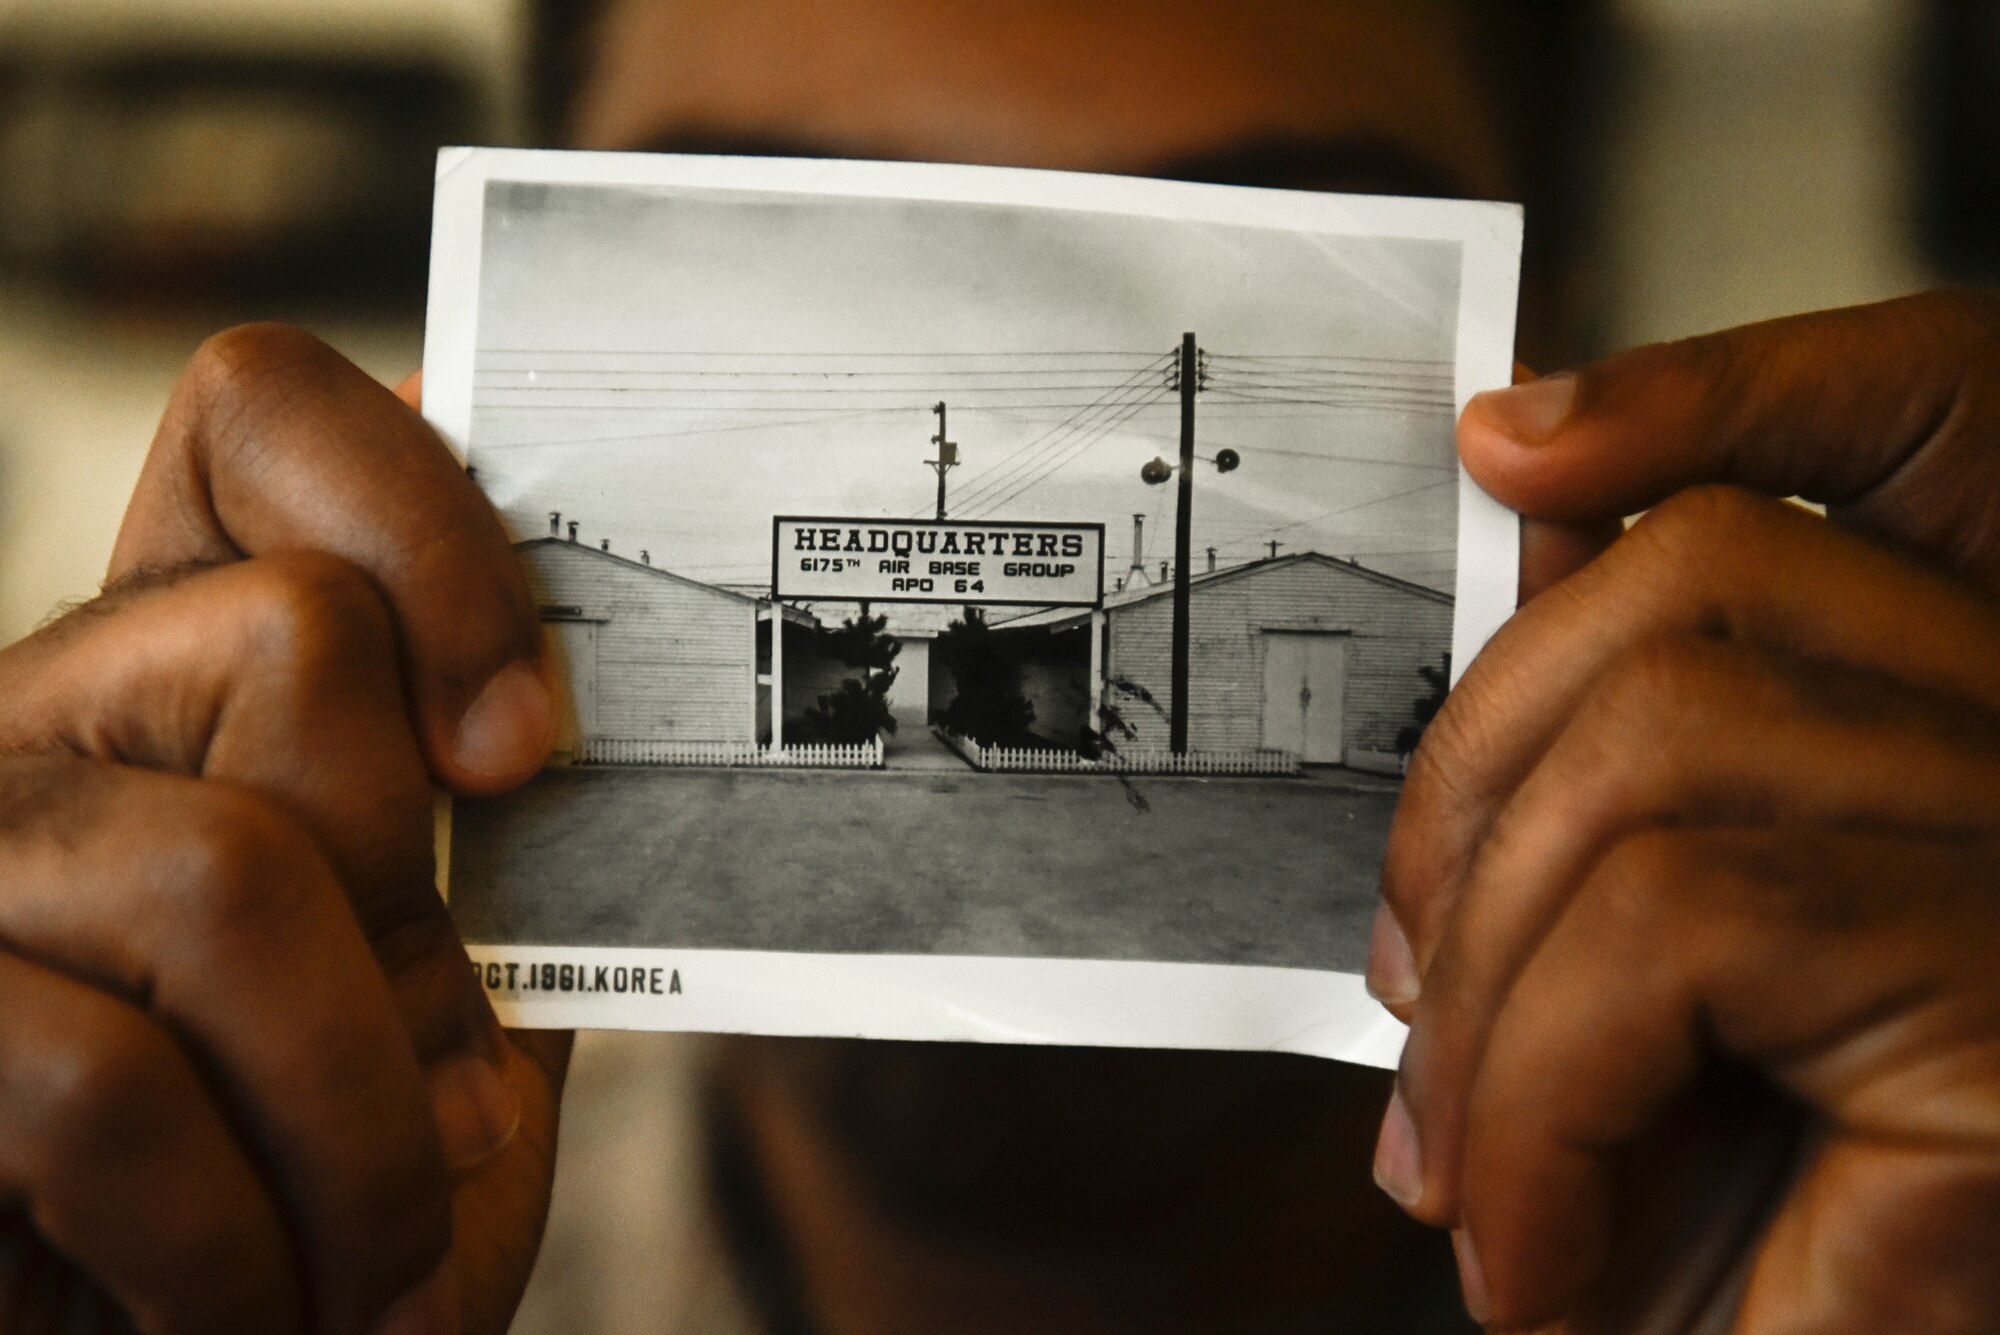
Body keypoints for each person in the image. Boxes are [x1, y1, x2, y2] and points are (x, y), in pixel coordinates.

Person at [0, 4, 1994, 1335]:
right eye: (766, 257)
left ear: (1568, 366)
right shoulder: (285, 1194)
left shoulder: (1896, 1160)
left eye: (1266, 243)